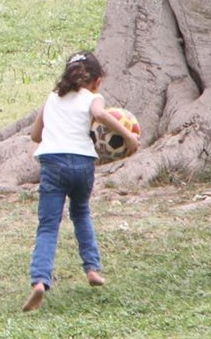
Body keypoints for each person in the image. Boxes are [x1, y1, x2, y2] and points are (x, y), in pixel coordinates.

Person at [22, 51, 138, 313]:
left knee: (48, 225)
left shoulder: (52, 98)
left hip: (52, 163)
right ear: (96, 80)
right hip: (83, 163)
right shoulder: (93, 98)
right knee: (81, 213)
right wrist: (128, 137)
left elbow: (35, 134)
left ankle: (40, 281)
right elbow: (102, 114)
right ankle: (92, 269)